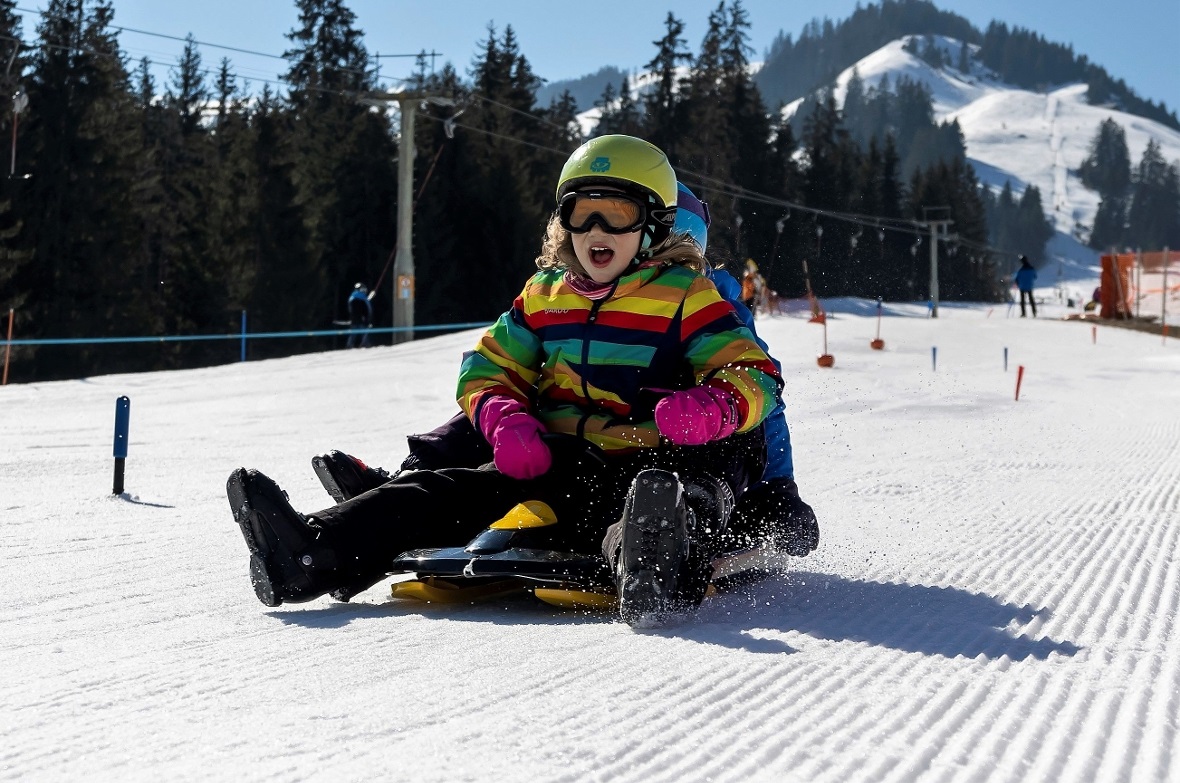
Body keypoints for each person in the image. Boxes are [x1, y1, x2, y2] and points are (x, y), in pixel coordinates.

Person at [228, 135, 782, 621]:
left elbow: (753, 372)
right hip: (561, 460)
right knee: (441, 490)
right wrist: (503, 417)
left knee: (662, 496)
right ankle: (309, 554)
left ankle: (649, 561)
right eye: (580, 213)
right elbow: (487, 367)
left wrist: (715, 406)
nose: (595, 229)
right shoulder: (545, 294)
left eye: (616, 214)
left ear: (654, 223)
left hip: (653, 460)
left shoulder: (686, 295)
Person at [313, 183, 819, 561]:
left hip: (674, 446)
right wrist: (506, 414)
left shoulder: (709, 304)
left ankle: (659, 534)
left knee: (718, 457)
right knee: (499, 411)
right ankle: (407, 484)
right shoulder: (563, 292)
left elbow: (761, 398)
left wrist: (780, 489)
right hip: (576, 448)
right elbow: (491, 370)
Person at [346, 283, 372, 347]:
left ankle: (350, 345)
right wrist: (367, 318)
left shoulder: (352, 298)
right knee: (364, 333)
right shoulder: (362, 299)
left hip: (354, 319)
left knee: (353, 334)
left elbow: (351, 310)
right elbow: (367, 310)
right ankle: (365, 345)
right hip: (361, 319)